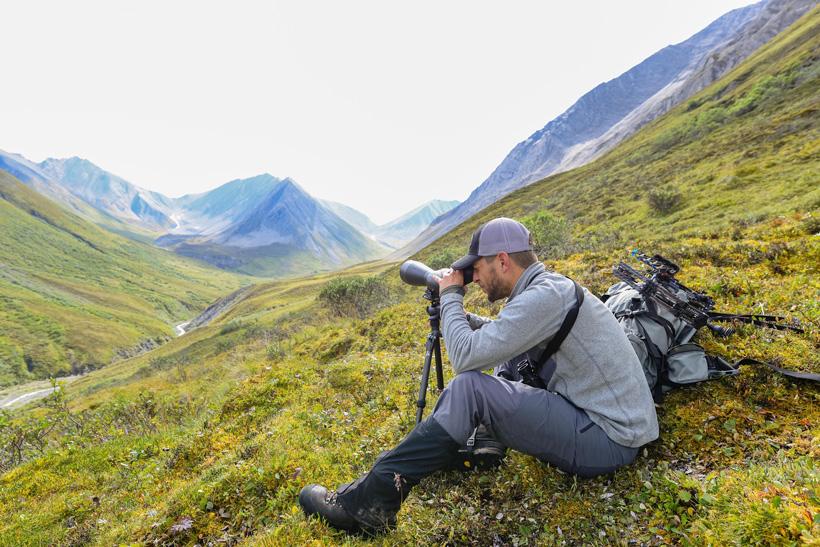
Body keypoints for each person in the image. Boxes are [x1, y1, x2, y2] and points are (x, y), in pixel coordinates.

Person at [299, 217, 658, 534]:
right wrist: (467, 319)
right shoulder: (547, 289)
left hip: (610, 439)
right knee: (507, 363)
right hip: (603, 419)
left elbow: (465, 358)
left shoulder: (544, 297)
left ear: (502, 260)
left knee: (470, 388)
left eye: (477, 269)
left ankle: (367, 505)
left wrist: (451, 297)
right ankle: (477, 444)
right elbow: (509, 334)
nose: (476, 280)